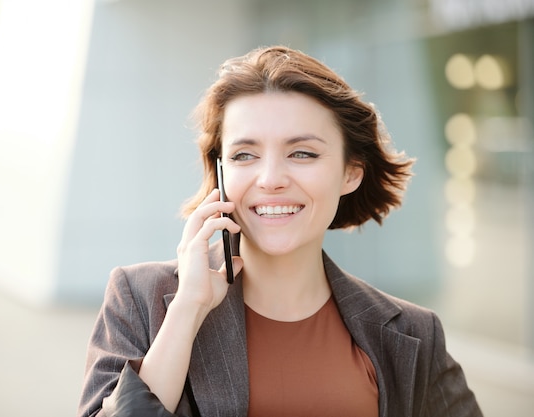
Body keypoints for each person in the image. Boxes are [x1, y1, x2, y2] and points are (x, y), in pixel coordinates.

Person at [77, 45, 483, 417]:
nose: (270, 179)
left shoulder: (412, 333)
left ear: (350, 172)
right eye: (244, 155)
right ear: (220, 173)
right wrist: (187, 310)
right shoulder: (139, 300)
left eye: (302, 153)